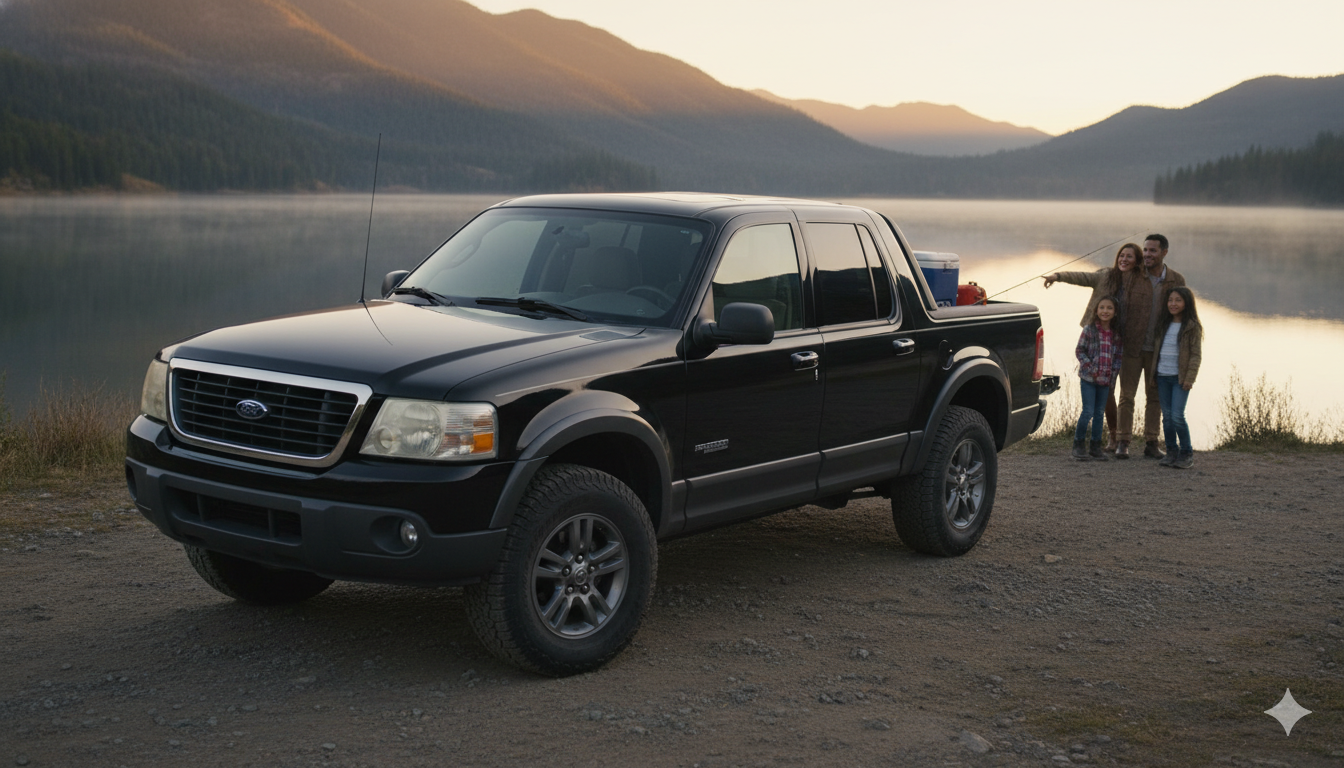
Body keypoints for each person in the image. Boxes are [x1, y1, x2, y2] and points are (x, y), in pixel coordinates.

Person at [1044, 242, 1140, 451]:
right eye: (1121, 255)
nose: (1124, 259)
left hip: (1126, 341)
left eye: (1129, 256)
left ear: (1137, 261)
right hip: (1099, 338)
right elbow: (1081, 277)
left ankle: (1124, 438)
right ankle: (1112, 436)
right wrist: (1057, 277)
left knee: (1124, 392)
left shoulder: (1139, 283)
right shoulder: (1105, 275)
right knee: (1107, 392)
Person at [1114, 234, 1185, 460]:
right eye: (1145, 250)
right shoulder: (1132, 276)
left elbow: (1183, 314)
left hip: (1160, 350)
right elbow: (1101, 282)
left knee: (1154, 398)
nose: (1147, 255)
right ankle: (1122, 441)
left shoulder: (1177, 280)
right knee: (1126, 396)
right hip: (1131, 346)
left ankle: (1151, 443)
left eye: (1152, 250)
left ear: (1164, 252)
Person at [1150, 286, 1203, 468]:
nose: (1173, 304)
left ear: (1187, 303)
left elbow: (1195, 355)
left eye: (1178, 300)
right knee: (1166, 417)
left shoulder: (1191, 327)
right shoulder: (1163, 324)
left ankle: (1186, 453)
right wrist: (1154, 374)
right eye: (1170, 300)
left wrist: (1190, 377)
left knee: (1177, 416)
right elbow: (1156, 351)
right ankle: (1171, 451)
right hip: (1163, 376)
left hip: (1180, 379)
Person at [1071, 296, 1123, 461]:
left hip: (1105, 382)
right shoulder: (1089, 330)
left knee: (1100, 413)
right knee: (1088, 411)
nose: (1105, 311)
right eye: (1102, 308)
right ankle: (1078, 445)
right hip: (1089, 379)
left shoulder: (1115, 335)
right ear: (1096, 310)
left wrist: (1112, 378)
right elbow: (1080, 350)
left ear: (1115, 313)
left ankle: (1095, 446)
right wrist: (1091, 369)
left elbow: (1118, 358)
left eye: (1109, 308)